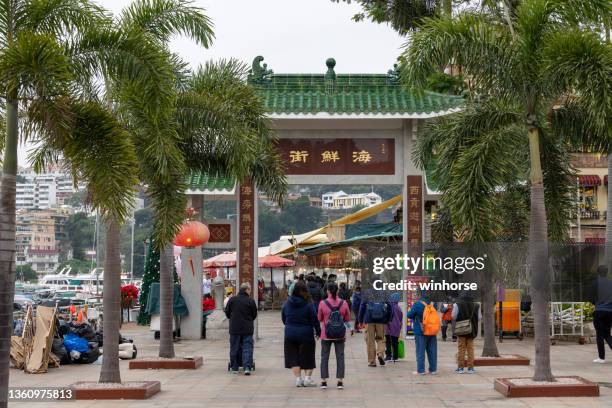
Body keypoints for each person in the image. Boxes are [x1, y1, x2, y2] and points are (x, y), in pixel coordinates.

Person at [282, 280, 321, 387]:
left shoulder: (287, 303)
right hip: (306, 333)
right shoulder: (308, 303)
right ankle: (307, 379)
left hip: (290, 333)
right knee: (308, 356)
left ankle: (298, 379)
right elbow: (314, 319)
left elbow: (283, 318)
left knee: (293, 356)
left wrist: (289, 325)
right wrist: (318, 331)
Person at [317, 282, 351, 389]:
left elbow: (319, 318)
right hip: (340, 334)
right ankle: (340, 381)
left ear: (327, 291)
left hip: (326, 334)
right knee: (340, 357)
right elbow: (347, 318)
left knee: (324, 357)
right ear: (337, 291)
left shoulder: (322, 303)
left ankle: (324, 381)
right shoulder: (344, 303)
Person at [224, 282, 258, 375]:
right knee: (247, 347)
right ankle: (247, 367)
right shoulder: (250, 301)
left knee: (234, 347)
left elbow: (227, 313)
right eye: (250, 289)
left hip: (234, 329)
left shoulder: (232, 300)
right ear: (246, 290)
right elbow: (254, 314)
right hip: (247, 329)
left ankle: (234, 367)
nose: (250, 291)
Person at [358, 290, 392, 367]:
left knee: (370, 341)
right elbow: (390, 307)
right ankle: (380, 353)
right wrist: (388, 319)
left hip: (369, 320)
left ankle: (372, 362)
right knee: (381, 339)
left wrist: (360, 320)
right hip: (381, 320)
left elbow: (362, 306)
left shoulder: (367, 293)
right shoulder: (384, 293)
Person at [406, 292, 437, 375]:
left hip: (421, 331)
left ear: (421, 295)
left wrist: (416, 316)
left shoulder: (418, 304)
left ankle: (421, 370)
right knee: (432, 351)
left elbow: (409, 315)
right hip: (432, 330)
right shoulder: (433, 304)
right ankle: (433, 370)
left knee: (420, 351)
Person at [452, 291, 480, 374]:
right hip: (472, 329)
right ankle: (470, 368)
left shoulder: (457, 304)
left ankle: (460, 368)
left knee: (461, 348)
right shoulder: (476, 305)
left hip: (461, 329)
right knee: (470, 349)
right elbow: (479, 318)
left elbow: (453, 316)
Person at [591, 266, 612, 363]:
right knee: (607, 333)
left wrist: (596, 304)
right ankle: (601, 357)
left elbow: (590, 297)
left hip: (599, 311)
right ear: (607, 272)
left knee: (600, 334)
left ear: (598, 273)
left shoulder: (595, 283)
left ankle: (601, 358)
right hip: (609, 312)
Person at [385, 293, 402, 362]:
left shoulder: (389, 306)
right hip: (397, 327)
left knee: (388, 342)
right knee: (395, 342)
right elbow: (401, 318)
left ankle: (388, 356)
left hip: (389, 327)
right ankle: (395, 356)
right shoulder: (398, 308)